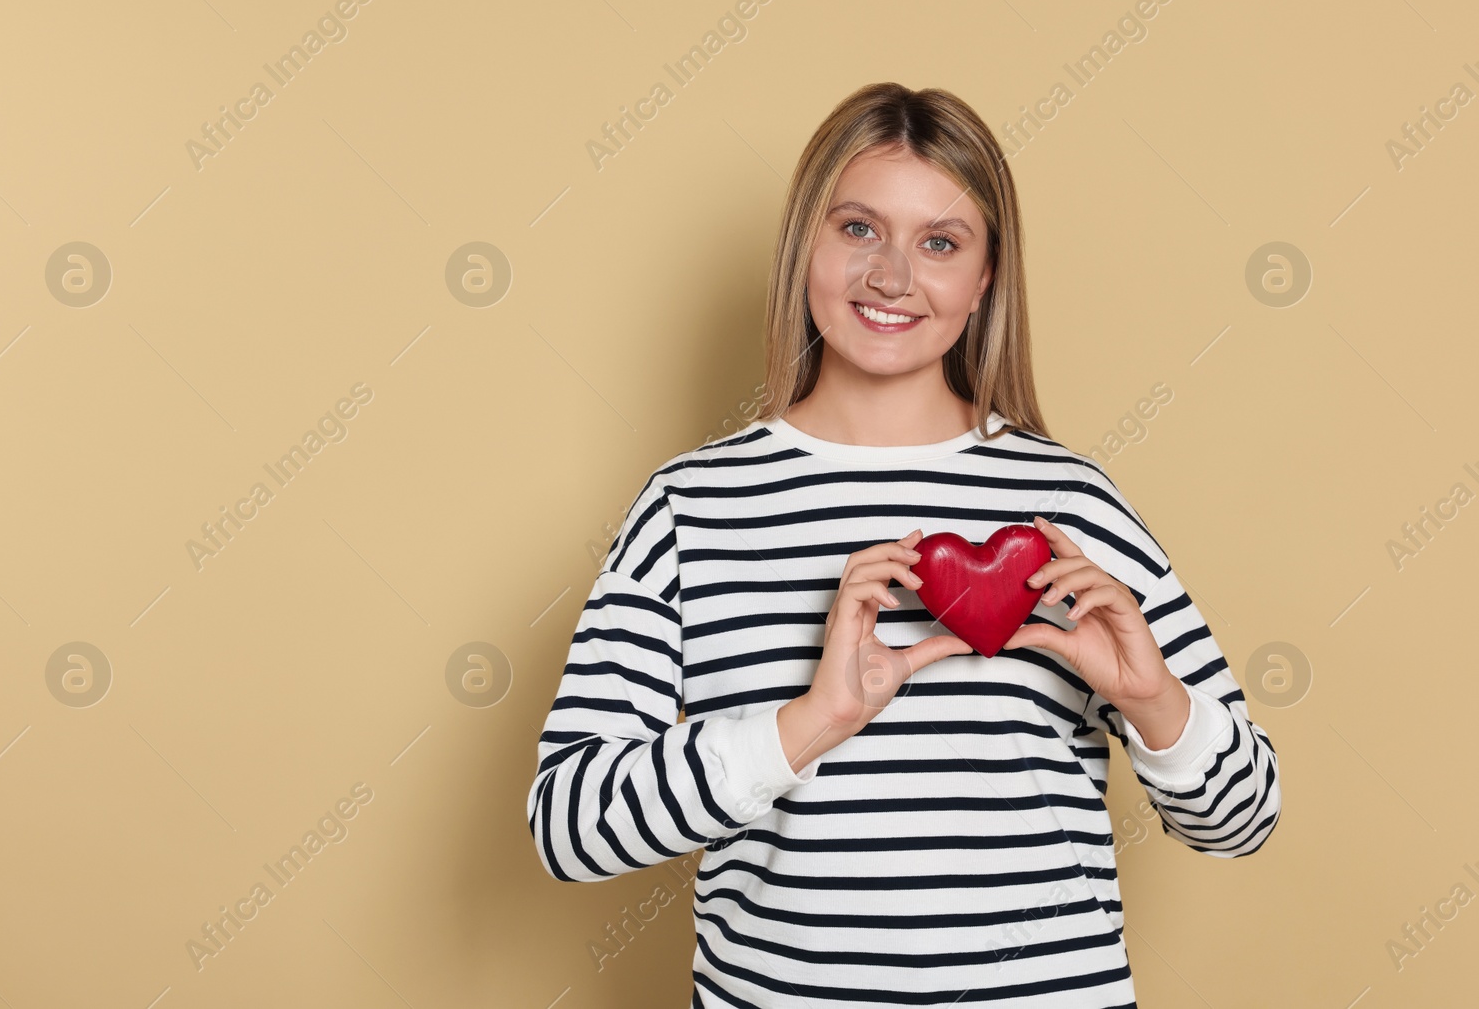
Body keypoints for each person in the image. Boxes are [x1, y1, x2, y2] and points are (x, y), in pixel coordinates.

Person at [525, 81, 1281, 1007]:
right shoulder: (692, 506)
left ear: (985, 277)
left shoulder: (1070, 502)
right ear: (804, 242)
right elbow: (571, 827)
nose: (891, 277)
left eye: (940, 242)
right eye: (857, 229)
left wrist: (1153, 699)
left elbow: (1244, 818)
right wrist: (808, 725)